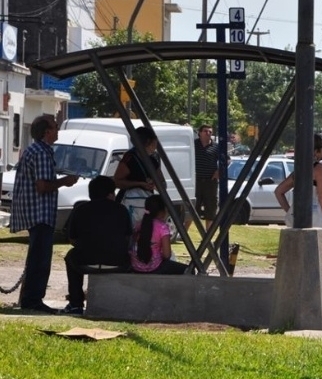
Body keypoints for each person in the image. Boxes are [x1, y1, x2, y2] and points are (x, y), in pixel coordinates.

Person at [10, 115, 79, 313]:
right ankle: (33, 299)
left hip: (34, 211)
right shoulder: (41, 152)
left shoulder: (35, 150)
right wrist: (64, 181)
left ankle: (30, 298)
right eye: (55, 127)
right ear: (47, 132)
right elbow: (42, 186)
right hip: (39, 212)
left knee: (37, 257)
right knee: (40, 259)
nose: (58, 130)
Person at [62, 176, 132, 315]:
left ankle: (75, 303)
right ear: (110, 194)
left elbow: (72, 238)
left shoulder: (80, 209)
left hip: (85, 261)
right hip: (118, 262)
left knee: (71, 256)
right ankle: (124, 301)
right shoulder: (121, 210)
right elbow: (128, 237)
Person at [274, 134, 322, 263]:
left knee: (298, 257)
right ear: (316, 150)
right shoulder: (318, 168)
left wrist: (290, 210)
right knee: (315, 257)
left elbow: (279, 191)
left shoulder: (298, 169)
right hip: (315, 218)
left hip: (296, 217)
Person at [114, 126, 165, 227]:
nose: (155, 146)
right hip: (128, 205)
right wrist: (139, 184)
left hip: (146, 204)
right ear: (147, 142)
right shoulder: (130, 158)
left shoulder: (153, 159)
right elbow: (117, 181)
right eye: (154, 143)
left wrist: (156, 185)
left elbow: (162, 183)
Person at [130, 194, 189, 274]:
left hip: (136, 267)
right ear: (162, 211)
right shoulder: (162, 227)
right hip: (155, 268)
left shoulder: (138, 225)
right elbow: (167, 255)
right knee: (189, 270)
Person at [189, 124, 220, 233]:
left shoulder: (216, 147)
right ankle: (183, 233)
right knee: (192, 208)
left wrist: (219, 171)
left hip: (210, 182)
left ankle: (208, 235)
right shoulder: (193, 145)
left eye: (210, 132)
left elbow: (226, 160)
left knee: (210, 209)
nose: (208, 134)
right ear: (200, 133)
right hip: (195, 182)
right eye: (205, 131)